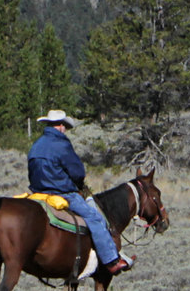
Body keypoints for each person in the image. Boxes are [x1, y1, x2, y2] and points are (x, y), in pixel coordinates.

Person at [26, 110, 131, 278]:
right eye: (64, 126)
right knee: (95, 218)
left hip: (37, 193)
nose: (65, 129)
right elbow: (77, 172)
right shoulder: (61, 144)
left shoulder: (37, 144)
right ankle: (112, 261)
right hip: (62, 193)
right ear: (60, 126)